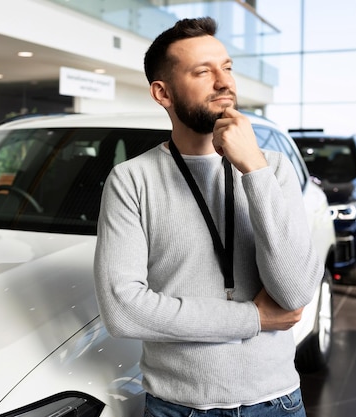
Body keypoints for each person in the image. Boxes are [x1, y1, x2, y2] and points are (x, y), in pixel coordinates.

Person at [93, 17, 323, 417]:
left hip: (277, 403)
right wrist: (252, 318)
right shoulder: (131, 180)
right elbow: (124, 311)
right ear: (162, 93)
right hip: (176, 407)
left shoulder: (272, 168)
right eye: (203, 71)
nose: (224, 82)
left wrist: (252, 167)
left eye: (227, 67)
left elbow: (295, 294)